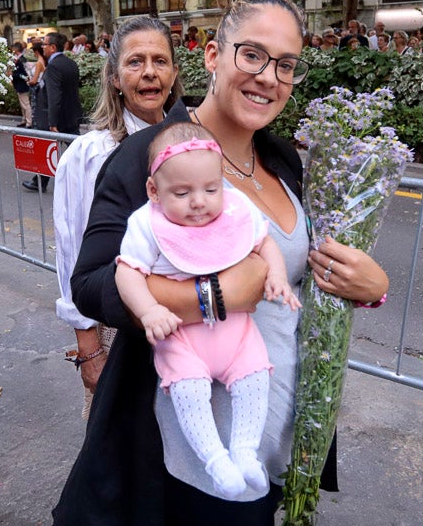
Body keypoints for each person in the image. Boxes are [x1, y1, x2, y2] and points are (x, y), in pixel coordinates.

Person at [53, 0, 389, 526]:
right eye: (253, 55)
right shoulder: (153, 154)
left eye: (286, 64)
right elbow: (93, 282)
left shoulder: (281, 157)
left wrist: (371, 288)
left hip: (288, 422)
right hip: (200, 447)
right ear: (211, 55)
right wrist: (206, 297)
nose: (269, 76)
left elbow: (310, 272)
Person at [115, 122, 301, 498]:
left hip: (238, 335)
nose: (199, 202)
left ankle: (244, 453)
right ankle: (215, 460)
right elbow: (127, 273)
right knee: (189, 393)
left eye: (211, 189)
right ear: (154, 190)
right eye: (182, 193)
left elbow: (264, 243)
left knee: (254, 380)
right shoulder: (146, 224)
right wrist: (150, 310)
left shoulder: (236, 210)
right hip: (182, 340)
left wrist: (277, 276)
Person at [53, 15, 181, 420]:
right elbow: (72, 253)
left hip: (185, 321)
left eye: (160, 61)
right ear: (114, 77)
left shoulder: (195, 145)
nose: (149, 73)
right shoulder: (89, 155)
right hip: (116, 325)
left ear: (175, 73)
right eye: (135, 62)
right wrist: (89, 350)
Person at [25, 32, 82, 192]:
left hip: (57, 118)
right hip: (71, 114)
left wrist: (52, 122)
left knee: (47, 149)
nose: (42, 47)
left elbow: (54, 96)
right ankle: (39, 182)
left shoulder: (54, 66)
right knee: (77, 150)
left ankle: (40, 182)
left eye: (45, 44)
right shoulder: (71, 63)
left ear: (53, 47)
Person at [9, 42, 32, 127]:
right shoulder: (18, 59)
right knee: (23, 104)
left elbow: (25, 73)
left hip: (22, 84)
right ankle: (24, 119)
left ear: (16, 49)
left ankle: (29, 122)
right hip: (19, 84)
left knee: (25, 104)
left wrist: (15, 75)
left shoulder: (22, 59)